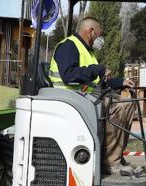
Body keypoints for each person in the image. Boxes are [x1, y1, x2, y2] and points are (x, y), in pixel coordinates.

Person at [49, 17, 138, 176]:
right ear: (91, 32)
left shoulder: (87, 51)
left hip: (84, 97)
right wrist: (97, 69)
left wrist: (121, 82)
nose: (99, 39)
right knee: (120, 107)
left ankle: (115, 156)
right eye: (99, 34)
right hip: (70, 99)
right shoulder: (68, 46)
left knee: (128, 102)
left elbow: (98, 83)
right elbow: (69, 75)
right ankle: (109, 161)